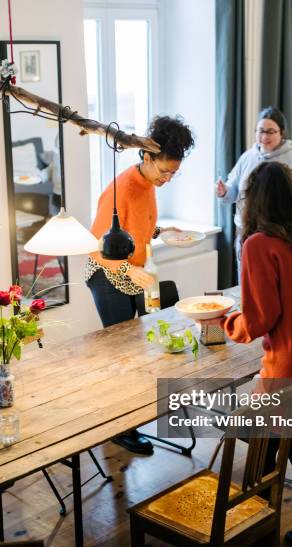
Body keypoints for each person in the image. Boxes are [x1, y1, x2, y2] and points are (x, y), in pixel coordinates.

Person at [204, 161, 292, 547]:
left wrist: (225, 320)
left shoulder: (259, 244)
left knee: (267, 440)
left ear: (254, 201)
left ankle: (261, 530)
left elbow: (261, 319)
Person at [86, 115, 195, 455]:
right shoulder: (120, 190)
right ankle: (120, 428)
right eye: (164, 171)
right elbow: (95, 244)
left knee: (143, 345)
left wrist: (163, 232)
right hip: (108, 274)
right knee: (123, 354)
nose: (168, 178)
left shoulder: (148, 185)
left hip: (134, 272)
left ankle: (132, 416)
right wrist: (126, 270)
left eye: (174, 174)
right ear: (146, 157)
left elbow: (139, 226)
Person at [216, 106, 292, 276]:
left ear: (282, 133)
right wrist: (225, 191)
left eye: (270, 132)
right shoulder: (248, 157)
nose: (264, 137)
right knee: (246, 280)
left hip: (279, 236)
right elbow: (234, 194)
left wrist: (286, 224)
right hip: (246, 232)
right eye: (260, 131)